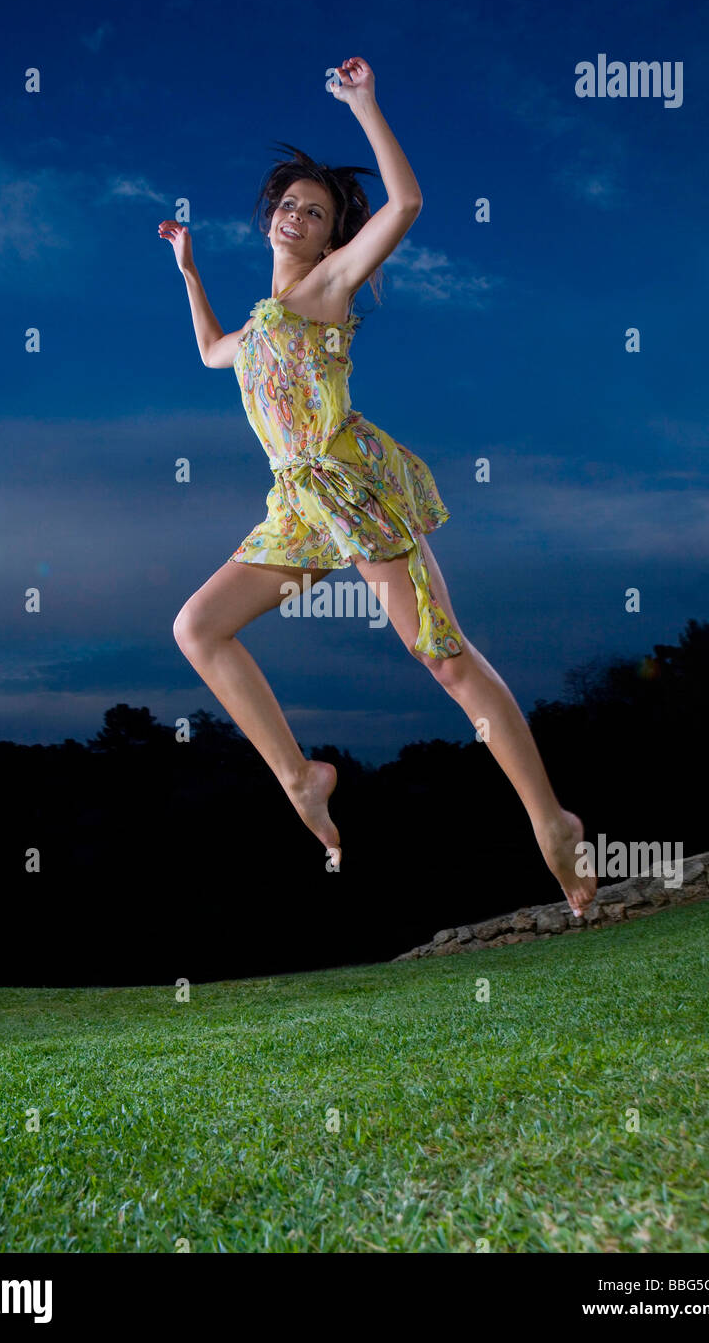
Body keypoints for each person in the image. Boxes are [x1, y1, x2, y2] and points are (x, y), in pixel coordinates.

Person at [159, 56, 596, 917]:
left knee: (445, 661)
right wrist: (191, 278)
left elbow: (405, 205)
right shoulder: (257, 328)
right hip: (297, 509)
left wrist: (363, 103)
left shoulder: (327, 289)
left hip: (352, 491)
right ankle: (302, 776)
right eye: (287, 205)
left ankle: (552, 825)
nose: (295, 215)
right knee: (198, 629)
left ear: (330, 240)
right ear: (270, 222)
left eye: (314, 213)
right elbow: (214, 352)